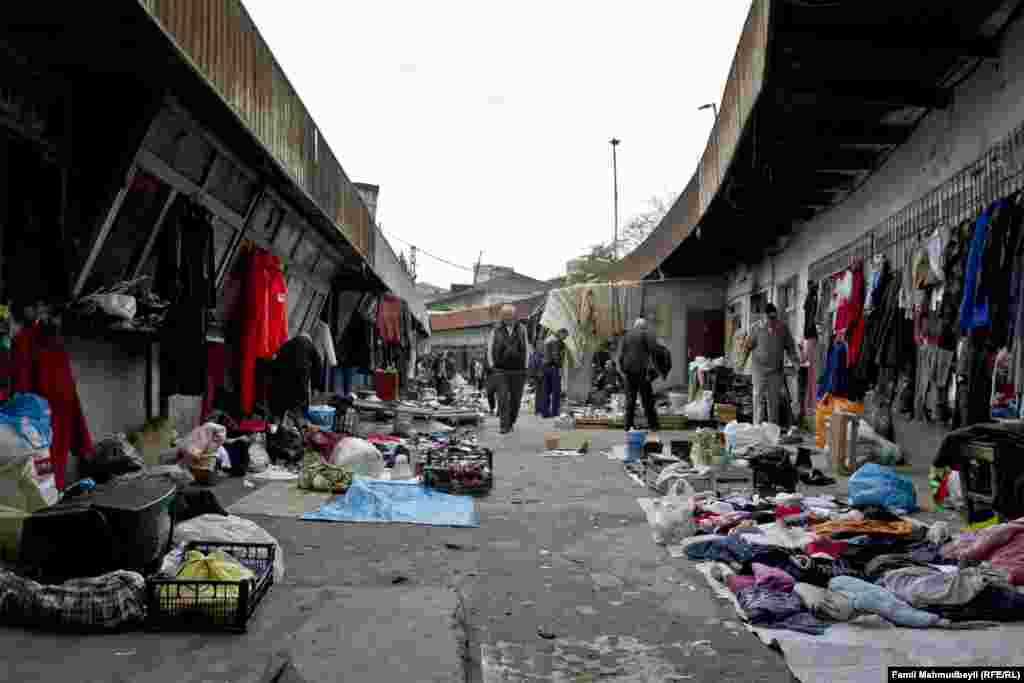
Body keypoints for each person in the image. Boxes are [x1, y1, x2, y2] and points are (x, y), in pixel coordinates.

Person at [742, 303, 800, 425]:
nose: (772, 321)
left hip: (775, 371)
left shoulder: (783, 328)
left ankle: (772, 429)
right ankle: (757, 428)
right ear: (764, 317)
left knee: (773, 402)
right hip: (759, 371)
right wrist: (741, 363)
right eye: (770, 318)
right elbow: (747, 347)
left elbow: (790, 347)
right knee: (758, 399)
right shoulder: (755, 328)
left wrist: (796, 362)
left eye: (774, 318)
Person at [487, 304, 530, 434]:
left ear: (514, 316)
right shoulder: (496, 330)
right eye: (505, 315)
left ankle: (511, 420)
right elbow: (490, 347)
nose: (508, 318)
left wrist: (526, 366)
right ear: (501, 316)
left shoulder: (522, 329)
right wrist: (492, 364)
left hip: (518, 369)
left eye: (510, 315)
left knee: (516, 399)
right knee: (503, 398)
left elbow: (527, 348)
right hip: (501, 370)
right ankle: (504, 425)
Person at [617, 318, 661, 433]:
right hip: (642, 371)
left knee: (630, 400)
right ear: (643, 327)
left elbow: (621, 355)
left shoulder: (627, 336)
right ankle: (653, 425)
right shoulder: (646, 334)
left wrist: (623, 369)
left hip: (629, 371)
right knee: (647, 399)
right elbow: (653, 351)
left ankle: (628, 426)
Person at [541, 328, 568, 418]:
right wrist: (559, 366)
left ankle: (545, 412)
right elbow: (555, 355)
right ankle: (555, 412)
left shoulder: (548, 339)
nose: (565, 338)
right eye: (565, 336)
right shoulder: (556, 341)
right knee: (556, 391)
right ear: (561, 333)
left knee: (546, 391)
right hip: (553, 368)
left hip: (545, 367)